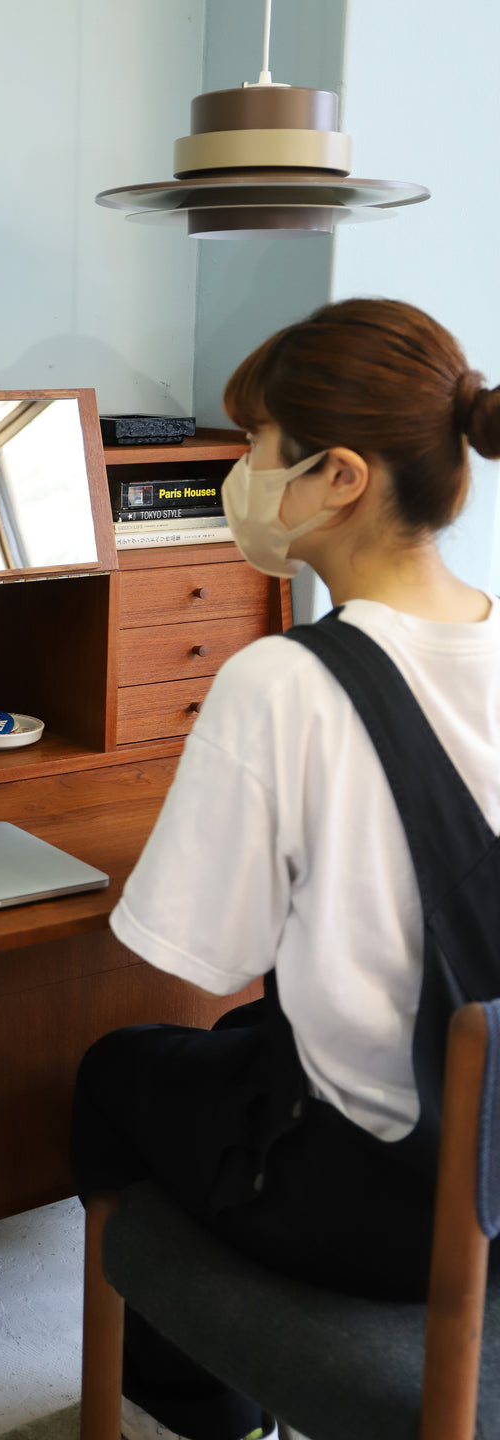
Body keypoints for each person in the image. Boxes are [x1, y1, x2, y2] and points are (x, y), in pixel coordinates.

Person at [69, 298, 500, 1440]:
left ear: (340, 476)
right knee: (236, 1047)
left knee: (120, 1069)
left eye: (259, 448)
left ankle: (203, 1401)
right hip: (497, 1171)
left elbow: (193, 950)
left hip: (386, 1210)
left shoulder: (284, 682)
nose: (243, 473)